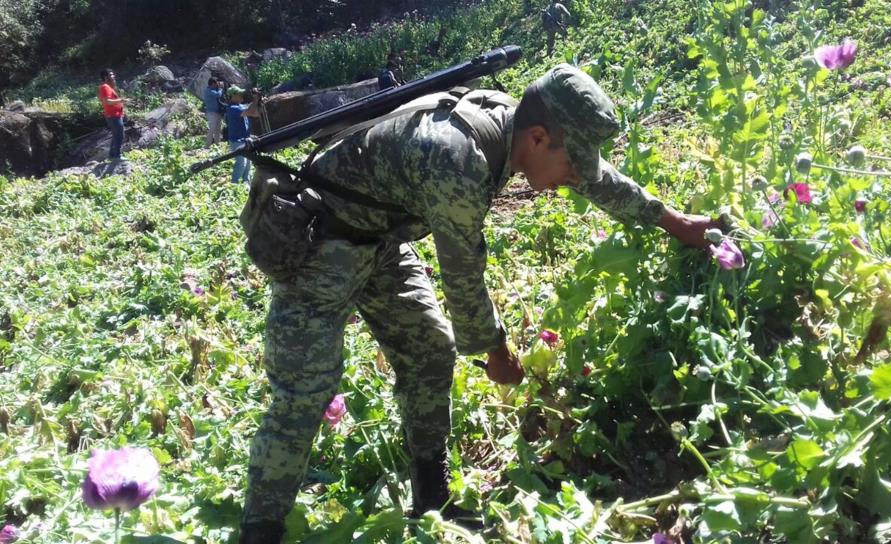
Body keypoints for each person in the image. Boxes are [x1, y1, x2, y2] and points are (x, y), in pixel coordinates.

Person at [238, 64, 720, 543]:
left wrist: (674, 222)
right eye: (571, 164)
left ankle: (431, 498)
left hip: (378, 237)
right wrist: (495, 349)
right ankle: (260, 531)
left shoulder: (514, 124)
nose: (572, 178)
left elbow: (597, 179)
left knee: (429, 349)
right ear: (537, 139)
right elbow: (462, 274)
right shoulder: (458, 161)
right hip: (320, 241)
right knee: (305, 391)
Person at [225, 85, 261, 184]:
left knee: (248, 165)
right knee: (241, 164)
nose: (242, 95)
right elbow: (251, 111)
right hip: (237, 141)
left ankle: (246, 185)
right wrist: (256, 100)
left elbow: (255, 113)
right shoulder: (232, 108)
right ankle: (234, 184)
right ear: (233, 96)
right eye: (239, 93)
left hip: (245, 140)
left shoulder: (241, 106)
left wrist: (258, 102)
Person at [98, 69, 126, 160]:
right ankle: (117, 156)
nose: (114, 76)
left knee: (116, 135)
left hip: (115, 115)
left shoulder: (108, 87)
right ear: (106, 77)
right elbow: (107, 101)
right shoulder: (105, 87)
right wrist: (121, 100)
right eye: (111, 75)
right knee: (119, 135)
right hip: (113, 116)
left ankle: (111, 156)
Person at [203, 78, 225, 147]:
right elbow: (218, 95)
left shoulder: (214, 90)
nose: (216, 85)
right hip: (211, 113)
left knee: (218, 129)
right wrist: (221, 88)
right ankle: (207, 145)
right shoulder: (208, 91)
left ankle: (217, 144)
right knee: (212, 128)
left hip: (217, 112)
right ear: (212, 84)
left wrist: (220, 89)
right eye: (216, 84)